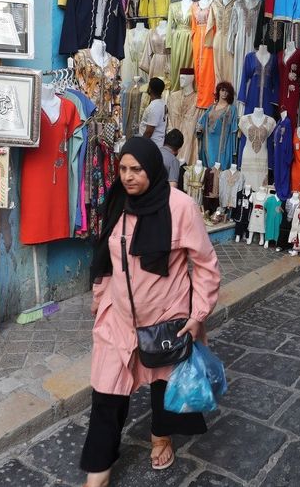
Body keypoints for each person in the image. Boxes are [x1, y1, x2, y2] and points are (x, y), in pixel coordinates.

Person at [82, 137, 221, 485]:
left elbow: (205, 265)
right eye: (123, 169)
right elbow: (105, 260)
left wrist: (197, 314)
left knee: (162, 385)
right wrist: (99, 299)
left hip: (166, 316)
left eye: (137, 170)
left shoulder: (181, 207)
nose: (128, 177)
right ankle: (97, 472)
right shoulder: (118, 202)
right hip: (119, 318)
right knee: (106, 394)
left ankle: (161, 435)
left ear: (153, 169)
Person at [139, 77, 167, 147]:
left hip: (152, 145)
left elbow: (149, 131)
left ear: (150, 89)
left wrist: (141, 144)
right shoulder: (162, 103)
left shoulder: (155, 106)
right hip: (156, 142)